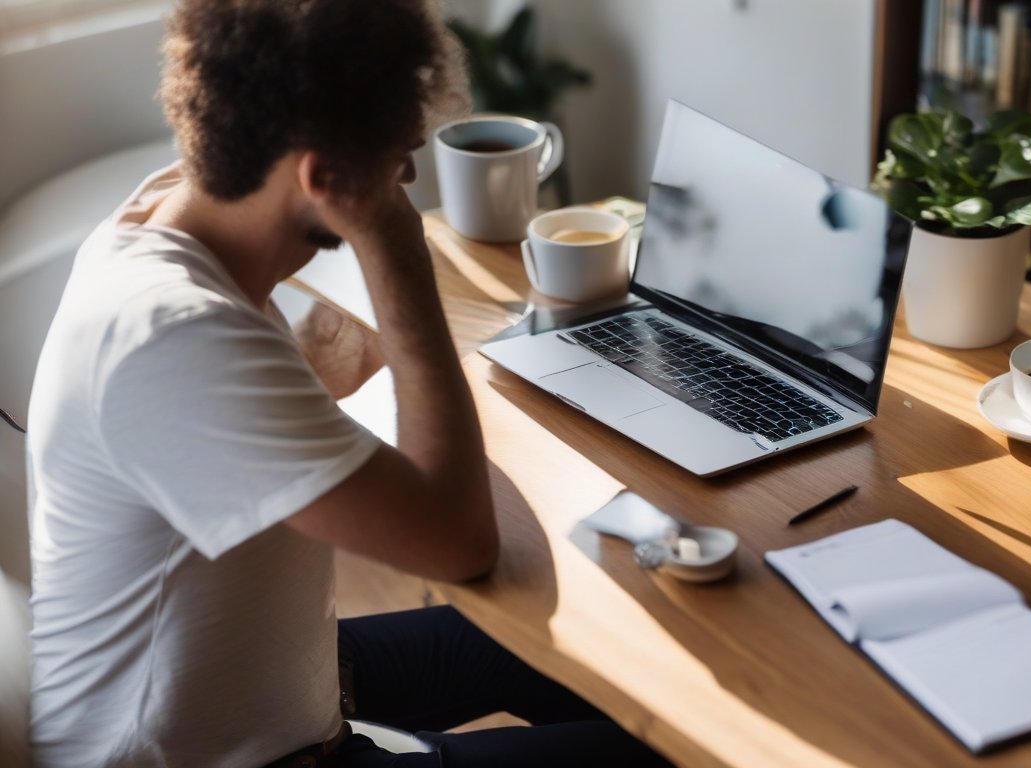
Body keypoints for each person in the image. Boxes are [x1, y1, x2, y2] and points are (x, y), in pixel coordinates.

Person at [24, 1, 669, 766]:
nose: (408, 177)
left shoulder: (169, 216)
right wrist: (398, 255)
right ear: (325, 177)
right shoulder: (172, 334)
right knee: (655, 756)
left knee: (603, 658)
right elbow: (459, 542)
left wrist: (347, 346)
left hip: (272, 679)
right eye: (399, 156)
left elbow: (254, 410)